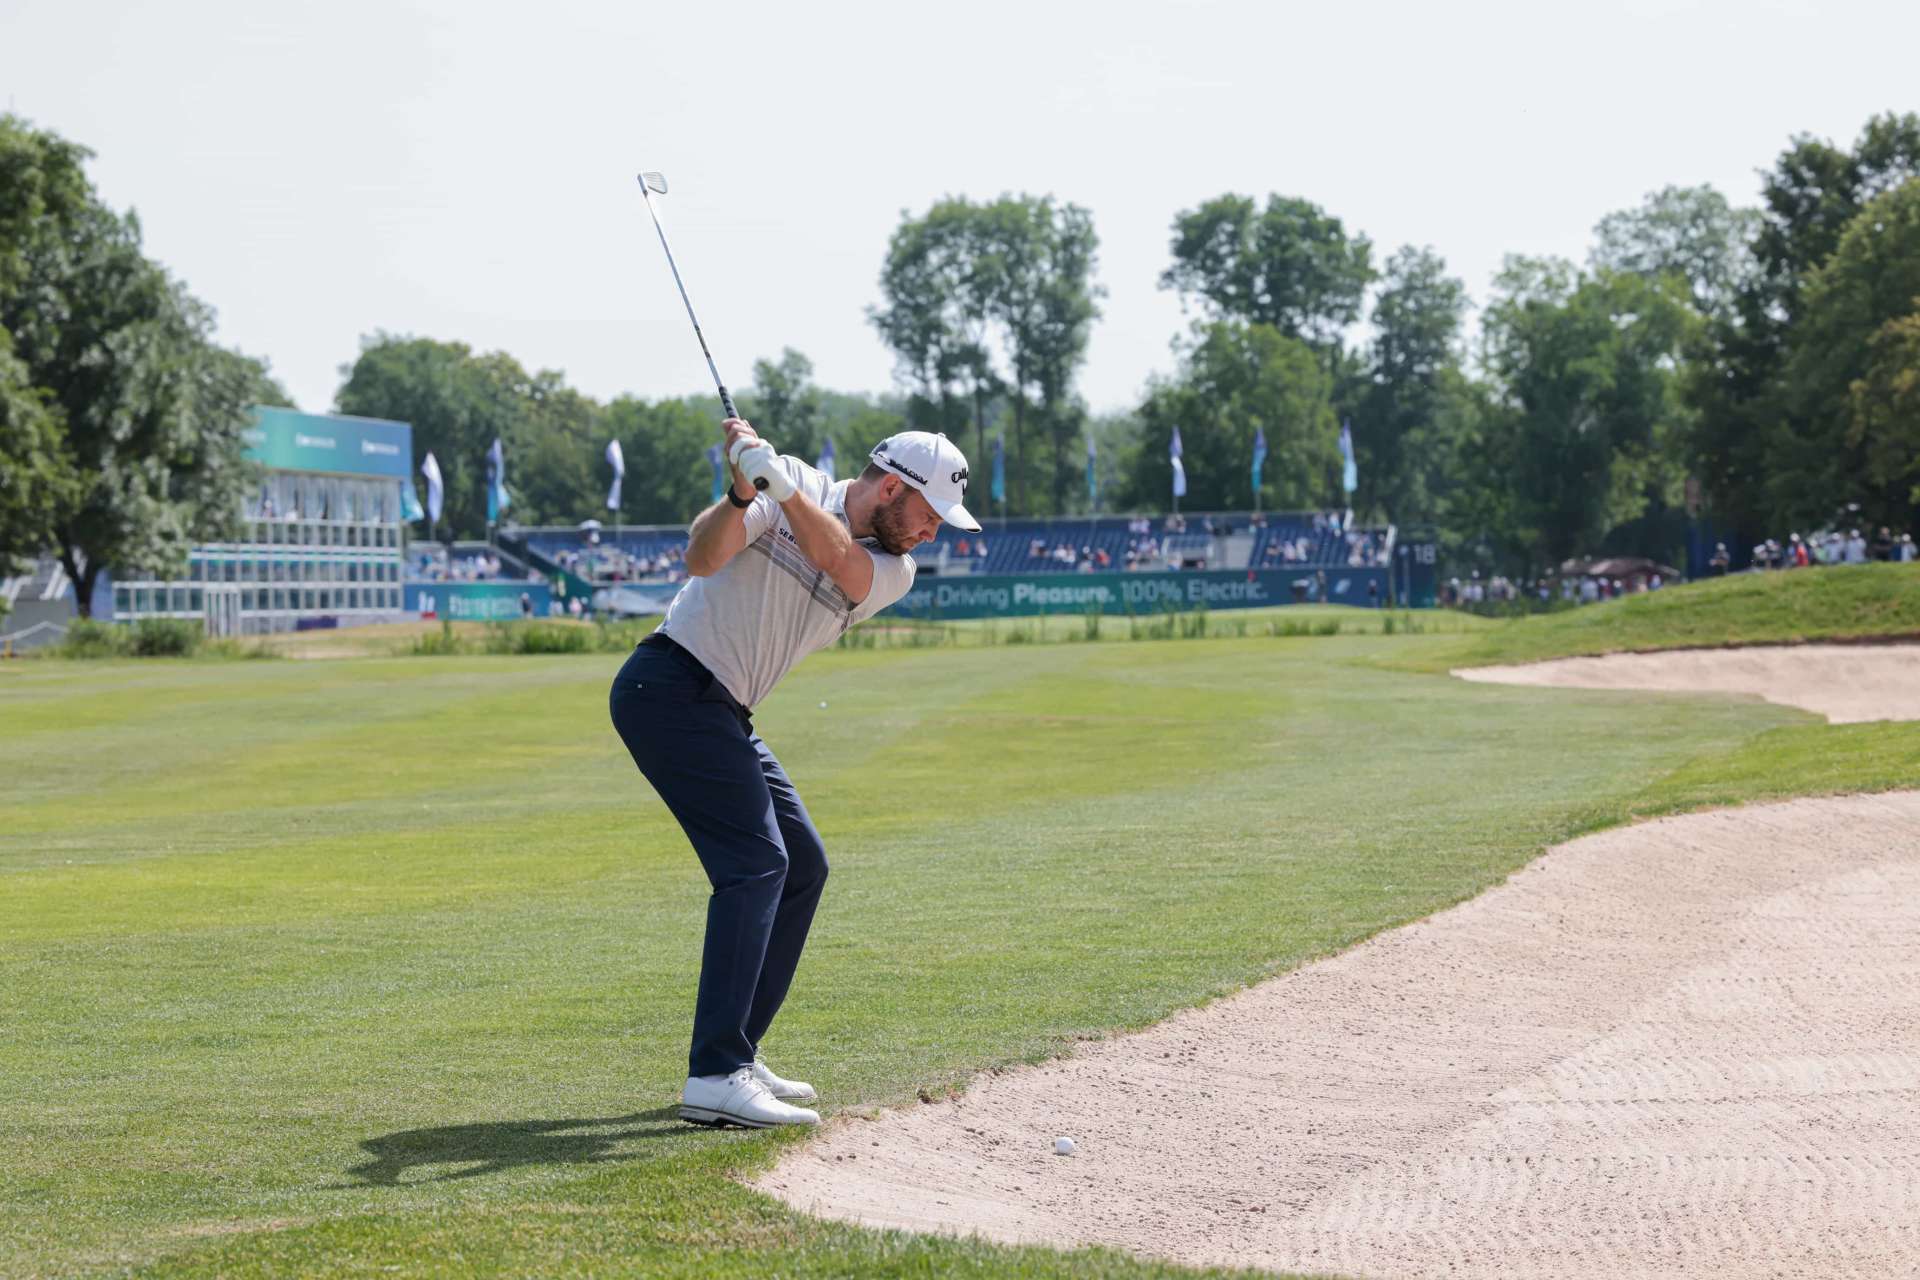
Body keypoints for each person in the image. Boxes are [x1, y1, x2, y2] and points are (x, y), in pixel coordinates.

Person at [608, 422, 977, 1130]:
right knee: (756, 864)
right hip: (668, 687)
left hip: (725, 709)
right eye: (931, 516)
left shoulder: (892, 569)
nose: (934, 533)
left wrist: (771, 484)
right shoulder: (793, 486)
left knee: (803, 864)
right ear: (892, 487)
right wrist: (741, 492)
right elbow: (701, 556)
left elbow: (841, 560)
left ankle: (738, 1051)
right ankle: (715, 1073)